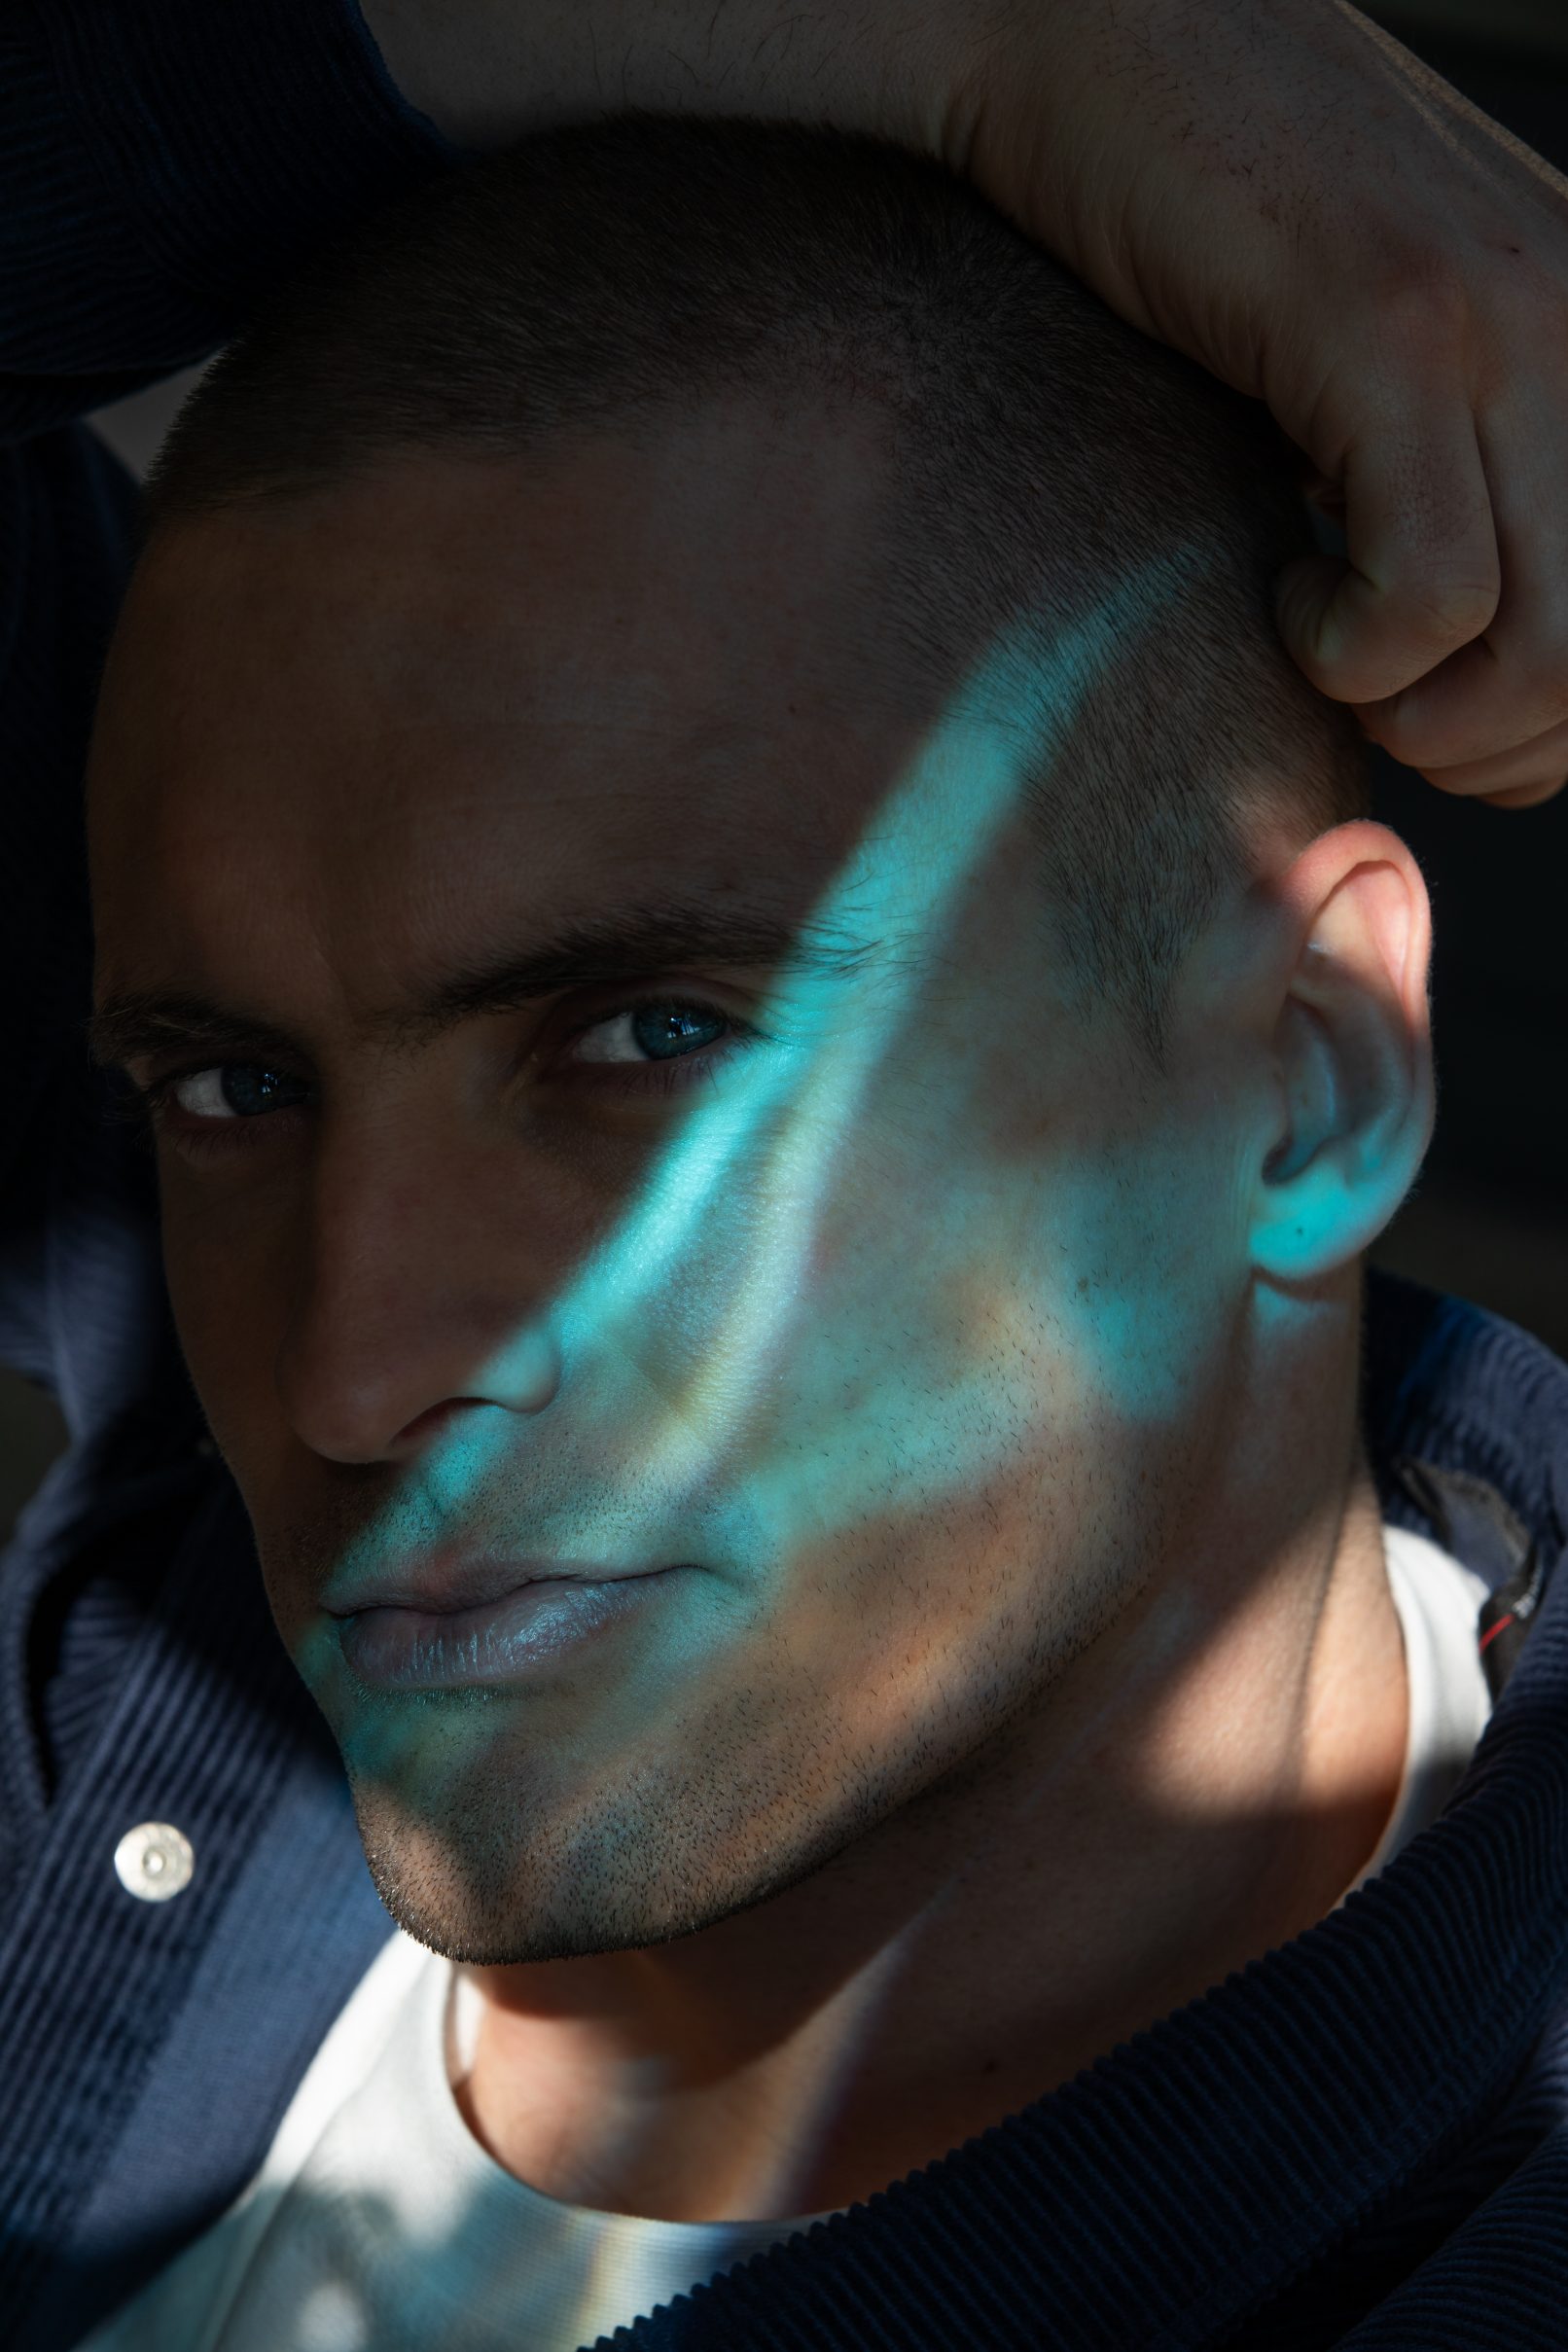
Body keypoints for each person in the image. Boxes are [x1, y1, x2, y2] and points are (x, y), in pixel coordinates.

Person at [0, 8, 1564, 2352]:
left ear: (1304, 1077)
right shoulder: (210, 1585)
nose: (349, 1371)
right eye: (232, 1087)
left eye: (649, 1040)